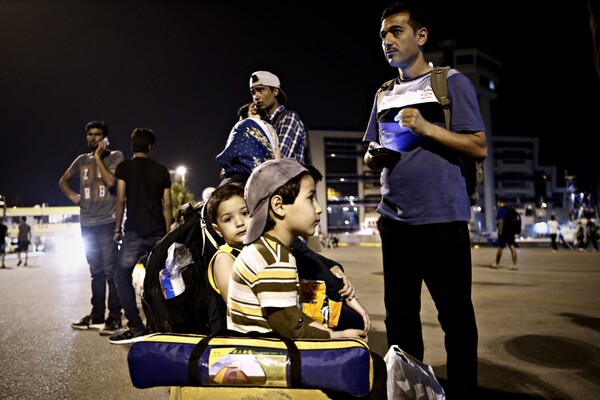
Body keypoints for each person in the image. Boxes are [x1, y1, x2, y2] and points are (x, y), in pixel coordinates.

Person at [361, 3, 486, 397]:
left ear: (421, 36)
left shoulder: (450, 83)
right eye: (383, 35)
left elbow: (478, 146)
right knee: (400, 321)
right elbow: (368, 149)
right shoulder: (383, 92)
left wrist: (426, 127)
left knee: (456, 319)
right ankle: (411, 393)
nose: (388, 41)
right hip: (394, 221)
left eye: (396, 31)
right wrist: (373, 157)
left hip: (442, 221)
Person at [227, 158, 386, 400]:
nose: (319, 207)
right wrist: (337, 337)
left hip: (264, 350)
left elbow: (290, 318)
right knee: (371, 368)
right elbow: (291, 329)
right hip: (264, 360)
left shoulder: (266, 248)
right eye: (310, 198)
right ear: (279, 206)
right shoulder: (275, 258)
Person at [206, 181, 368, 334]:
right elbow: (242, 308)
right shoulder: (224, 258)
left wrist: (333, 268)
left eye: (245, 213)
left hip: (287, 321)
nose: (239, 222)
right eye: (228, 219)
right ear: (218, 229)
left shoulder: (260, 247)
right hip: (260, 339)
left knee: (355, 321)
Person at [59, 120, 124, 335]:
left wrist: (98, 158)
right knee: (95, 272)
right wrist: (74, 197)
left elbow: (112, 183)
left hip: (107, 221)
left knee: (110, 271)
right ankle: (97, 316)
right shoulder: (80, 160)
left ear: (105, 138)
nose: (93, 138)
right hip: (87, 222)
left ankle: (114, 317)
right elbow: (63, 181)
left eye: (97, 134)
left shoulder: (115, 156)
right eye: (90, 134)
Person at [109, 128, 172, 344]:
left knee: (121, 274)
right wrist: (167, 234)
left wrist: (118, 228)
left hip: (134, 231)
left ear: (132, 146)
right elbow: (168, 204)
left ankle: (136, 326)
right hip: (157, 233)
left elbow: (120, 201)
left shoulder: (124, 168)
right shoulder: (162, 170)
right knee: (161, 278)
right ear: (151, 147)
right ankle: (165, 324)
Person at [216, 102, 280, 184]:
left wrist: (226, 168)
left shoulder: (243, 124)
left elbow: (228, 154)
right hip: (264, 183)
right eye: (253, 106)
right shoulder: (272, 132)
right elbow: (278, 160)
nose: (255, 107)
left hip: (240, 180)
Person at [249, 71, 307, 163]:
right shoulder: (263, 123)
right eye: (253, 92)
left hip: (287, 176)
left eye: (260, 90)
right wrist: (252, 123)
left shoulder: (289, 117)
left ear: (275, 91)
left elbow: (278, 161)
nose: (256, 96)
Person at [491, 199, 518, 270]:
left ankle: (496, 264)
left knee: (501, 247)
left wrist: (500, 231)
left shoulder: (501, 210)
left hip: (504, 231)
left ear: (500, 202)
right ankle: (514, 265)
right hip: (511, 231)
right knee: (512, 246)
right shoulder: (510, 209)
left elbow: (500, 221)